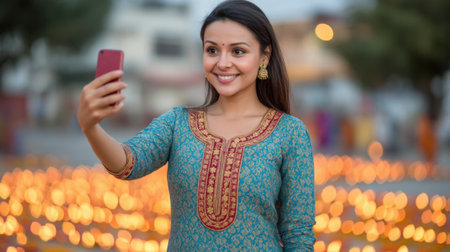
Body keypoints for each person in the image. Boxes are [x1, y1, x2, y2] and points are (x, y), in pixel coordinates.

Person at [77, 0, 316, 250]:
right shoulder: (178, 123)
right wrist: (90, 127)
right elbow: (128, 164)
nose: (222, 63)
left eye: (238, 51)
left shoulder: (289, 133)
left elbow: (297, 233)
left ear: (264, 57)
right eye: (212, 50)